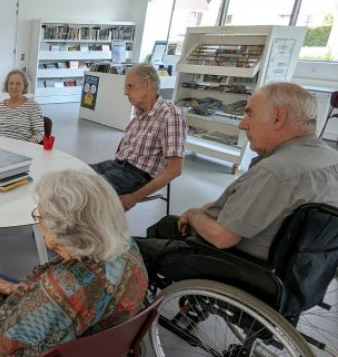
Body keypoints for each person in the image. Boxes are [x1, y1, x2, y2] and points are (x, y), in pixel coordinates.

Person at [0, 170, 148, 356]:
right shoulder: (128, 248)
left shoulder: (64, 289)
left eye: (41, 215)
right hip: (97, 333)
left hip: (30, 345)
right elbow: (70, 301)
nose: (39, 221)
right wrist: (18, 289)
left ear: (62, 232)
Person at [136, 82, 338, 266]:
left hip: (237, 262)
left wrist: (193, 214)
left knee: (136, 247)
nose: (242, 124)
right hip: (298, 271)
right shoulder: (332, 160)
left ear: (278, 118)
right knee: (167, 225)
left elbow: (222, 238)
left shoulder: (274, 172)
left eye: (250, 114)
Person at [90, 63, 186, 210]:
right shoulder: (139, 114)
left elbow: (175, 169)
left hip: (138, 175)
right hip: (117, 165)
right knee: (74, 174)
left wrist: (134, 197)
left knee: (84, 191)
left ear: (147, 85)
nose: (126, 92)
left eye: (130, 86)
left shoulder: (170, 116)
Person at [0, 69, 44, 143]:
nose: (14, 87)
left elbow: (39, 134)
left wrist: (28, 145)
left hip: (19, 148)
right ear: (6, 86)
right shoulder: (0, 106)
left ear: (24, 86)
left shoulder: (33, 106)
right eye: (11, 83)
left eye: (18, 84)